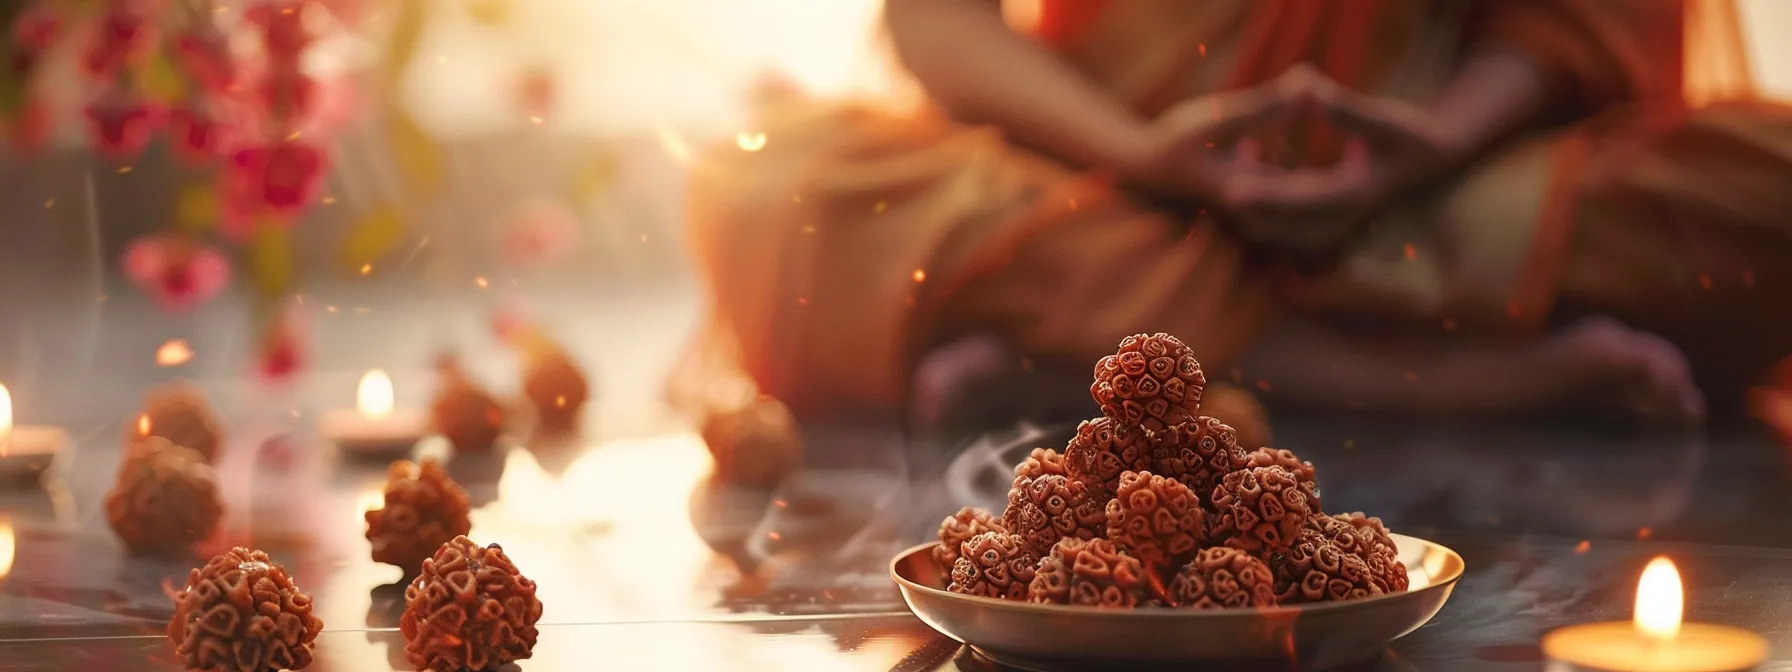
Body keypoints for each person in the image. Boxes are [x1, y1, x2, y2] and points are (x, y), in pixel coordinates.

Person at [670, 0, 1792, 427]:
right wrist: (1142, 153)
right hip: (1092, 167)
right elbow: (936, 20)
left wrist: (1430, 143)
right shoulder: (1114, 156)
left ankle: (1089, 357)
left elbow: (1589, 22)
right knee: (765, 183)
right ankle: (1394, 371)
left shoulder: (1436, 157)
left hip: (1441, 183)